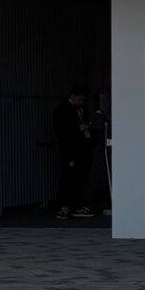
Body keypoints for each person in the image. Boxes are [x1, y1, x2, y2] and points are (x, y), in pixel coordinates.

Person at [53, 84, 94, 219]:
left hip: (83, 147)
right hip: (70, 148)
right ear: (72, 96)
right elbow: (60, 130)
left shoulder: (83, 110)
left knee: (81, 176)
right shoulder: (62, 110)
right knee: (68, 176)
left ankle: (78, 205)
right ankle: (64, 205)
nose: (81, 102)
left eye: (83, 100)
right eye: (79, 99)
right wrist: (77, 129)